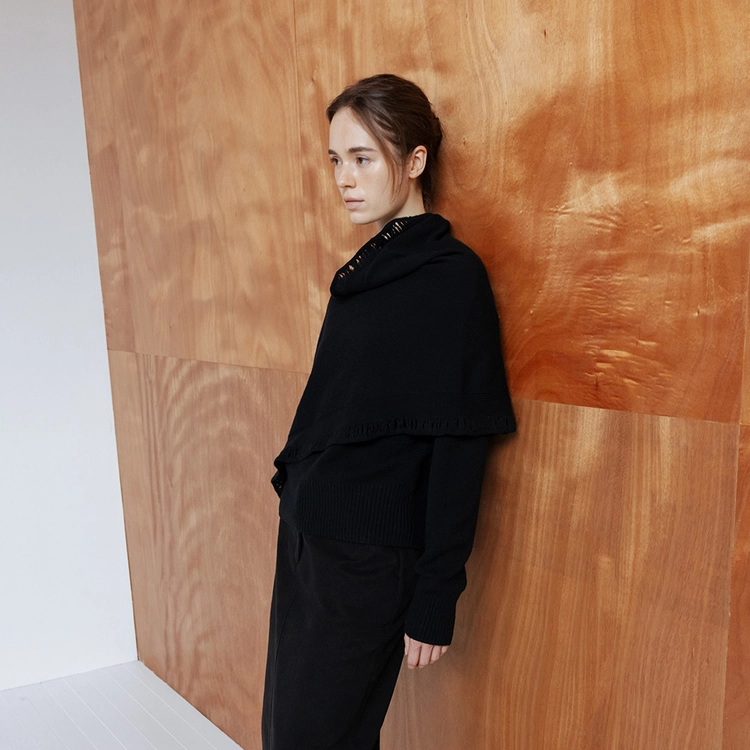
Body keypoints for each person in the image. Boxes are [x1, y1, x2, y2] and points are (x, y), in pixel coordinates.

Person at [261, 73, 515, 750]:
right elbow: (334, 407)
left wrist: (437, 593)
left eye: (362, 158)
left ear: (415, 160)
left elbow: (460, 444)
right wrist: (299, 494)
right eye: (336, 160)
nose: (344, 179)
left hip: (369, 559)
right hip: (310, 539)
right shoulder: (363, 275)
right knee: (290, 732)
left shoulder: (450, 277)